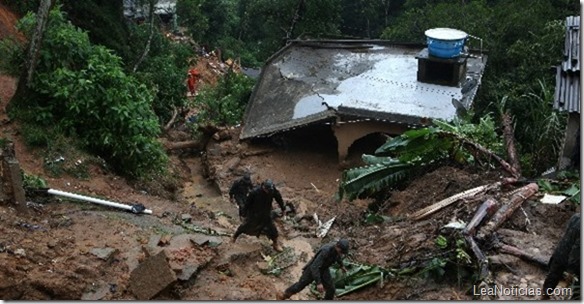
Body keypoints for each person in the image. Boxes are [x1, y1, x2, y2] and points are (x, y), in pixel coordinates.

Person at [277, 239, 349, 300]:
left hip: (324, 269)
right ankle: (285, 294)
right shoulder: (326, 251)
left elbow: (338, 257)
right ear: (337, 247)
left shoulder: (337, 252)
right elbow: (314, 266)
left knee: (331, 289)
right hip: (312, 269)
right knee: (300, 285)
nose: (341, 254)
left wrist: (341, 266)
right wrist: (319, 283)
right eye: (341, 251)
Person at [232, 179, 286, 252]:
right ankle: (234, 237)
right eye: (267, 190)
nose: (268, 192)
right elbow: (247, 204)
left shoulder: (272, 190)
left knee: (273, 229)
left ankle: (275, 243)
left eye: (270, 190)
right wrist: (243, 214)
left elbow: (278, 198)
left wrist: (283, 208)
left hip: (266, 213)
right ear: (263, 187)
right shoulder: (254, 192)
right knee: (245, 226)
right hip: (255, 214)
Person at [542, 213, 580, 300]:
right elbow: (577, 249)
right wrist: (572, 269)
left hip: (560, 251)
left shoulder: (576, 216)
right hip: (572, 258)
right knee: (578, 288)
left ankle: (544, 296)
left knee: (552, 277)